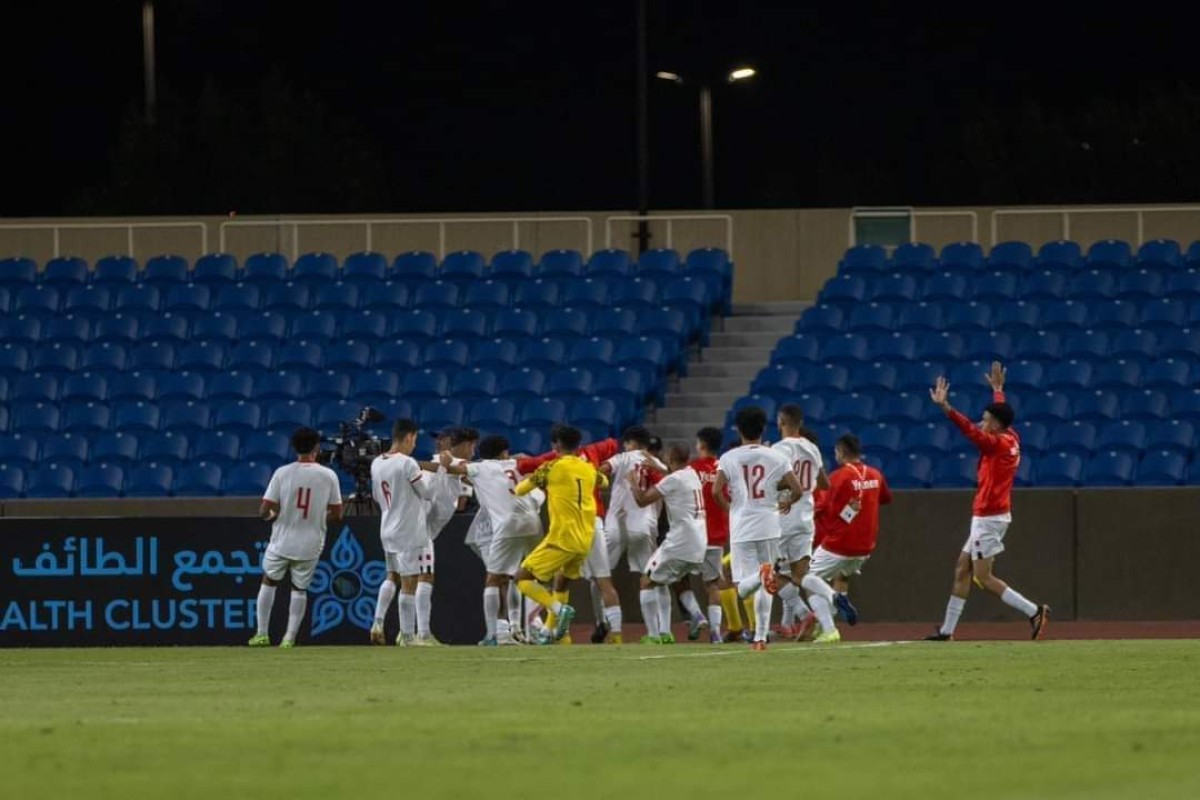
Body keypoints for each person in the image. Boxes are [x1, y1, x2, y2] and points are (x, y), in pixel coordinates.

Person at [926, 363, 1050, 641]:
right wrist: (997, 391)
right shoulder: (1011, 435)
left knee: (983, 577)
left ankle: (1033, 611)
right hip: (987, 515)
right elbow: (1000, 415)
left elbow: (971, 431)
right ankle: (947, 631)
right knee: (962, 568)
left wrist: (946, 408)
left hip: (989, 517)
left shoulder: (997, 443)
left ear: (994, 425)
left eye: (985, 419)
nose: (982, 422)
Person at [713, 406, 807, 651]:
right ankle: (760, 638)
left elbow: (716, 491)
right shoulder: (775, 455)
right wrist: (786, 502)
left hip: (742, 526)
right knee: (767, 583)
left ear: (738, 429)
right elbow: (798, 489)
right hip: (770, 524)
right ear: (763, 428)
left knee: (743, 588)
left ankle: (759, 576)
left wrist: (730, 509)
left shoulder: (728, 457)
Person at [441, 434, 545, 646]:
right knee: (525, 576)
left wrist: (445, 460)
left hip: (508, 525)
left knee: (494, 579)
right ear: (504, 452)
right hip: (533, 523)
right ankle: (531, 627)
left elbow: (455, 469)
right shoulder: (517, 464)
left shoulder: (482, 468)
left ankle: (495, 634)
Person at [512, 424, 608, 644]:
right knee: (561, 584)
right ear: (578, 446)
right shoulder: (588, 468)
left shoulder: (550, 467)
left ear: (555, 445)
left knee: (522, 577)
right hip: (585, 539)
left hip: (562, 538)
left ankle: (557, 609)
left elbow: (520, 490)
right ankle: (552, 633)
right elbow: (604, 482)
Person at [250, 427, 343, 648]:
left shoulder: (282, 473)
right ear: (317, 448)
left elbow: (264, 509)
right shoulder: (329, 475)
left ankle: (262, 634)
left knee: (269, 580)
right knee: (299, 588)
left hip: (282, 540)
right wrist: (318, 518)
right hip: (311, 543)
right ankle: (289, 638)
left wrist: (272, 516)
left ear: (294, 448)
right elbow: (338, 513)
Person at [807, 433, 892, 641]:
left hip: (839, 543)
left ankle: (829, 628)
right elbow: (886, 498)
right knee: (840, 577)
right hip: (865, 547)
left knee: (807, 578)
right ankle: (829, 615)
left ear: (841, 452)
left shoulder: (838, 477)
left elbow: (820, 506)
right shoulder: (875, 474)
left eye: (836, 452)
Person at [628, 444, 707, 644]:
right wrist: (656, 464)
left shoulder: (672, 480)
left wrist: (633, 482)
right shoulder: (692, 474)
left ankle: (654, 636)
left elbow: (642, 500)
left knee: (646, 581)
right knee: (679, 581)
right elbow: (671, 473)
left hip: (680, 541)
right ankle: (696, 615)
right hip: (699, 541)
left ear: (671, 458)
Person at [598, 426, 668, 642]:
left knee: (601, 578)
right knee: (648, 579)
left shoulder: (623, 456)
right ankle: (655, 632)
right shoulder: (659, 465)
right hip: (644, 526)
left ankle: (607, 623)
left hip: (615, 525)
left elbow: (603, 470)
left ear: (631, 443)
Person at [771, 404, 833, 641]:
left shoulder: (778, 449)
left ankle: (804, 613)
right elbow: (825, 484)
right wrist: (807, 485)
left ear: (781, 422)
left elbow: (775, 482)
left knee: (769, 573)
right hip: (806, 520)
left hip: (784, 517)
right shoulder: (812, 448)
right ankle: (809, 619)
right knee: (799, 576)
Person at [369, 419, 434, 646]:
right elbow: (426, 493)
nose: (414, 446)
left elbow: (377, 496)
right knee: (409, 582)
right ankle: (407, 636)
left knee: (391, 575)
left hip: (387, 527)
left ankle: (378, 621)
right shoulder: (408, 463)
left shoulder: (376, 462)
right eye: (414, 441)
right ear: (408, 437)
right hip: (407, 529)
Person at [413, 427, 478, 645]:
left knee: (405, 578)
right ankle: (422, 634)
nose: (437, 443)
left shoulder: (455, 465)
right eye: (438, 439)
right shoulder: (443, 462)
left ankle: (407, 632)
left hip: (425, 526)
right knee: (424, 576)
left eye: (441, 439)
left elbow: (461, 499)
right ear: (466, 445)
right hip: (420, 528)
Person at [683, 426, 731, 644]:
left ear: (701, 444)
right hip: (716, 536)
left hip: (693, 535)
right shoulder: (726, 469)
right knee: (712, 584)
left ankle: (696, 614)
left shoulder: (692, 469)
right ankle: (715, 632)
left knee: (677, 578)